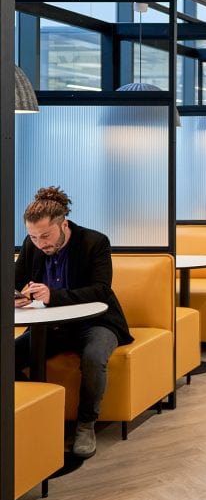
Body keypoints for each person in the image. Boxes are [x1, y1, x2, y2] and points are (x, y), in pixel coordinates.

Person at [14, 186, 133, 458]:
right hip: (53, 326)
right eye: (33, 237)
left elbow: (101, 290)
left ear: (63, 224)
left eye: (45, 235)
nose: (40, 243)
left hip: (98, 323)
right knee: (6, 358)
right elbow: (15, 279)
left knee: (93, 357)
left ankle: (85, 424)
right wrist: (16, 296)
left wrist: (53, 296)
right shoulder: (33, 245)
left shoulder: (94, 242)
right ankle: (41, 414)